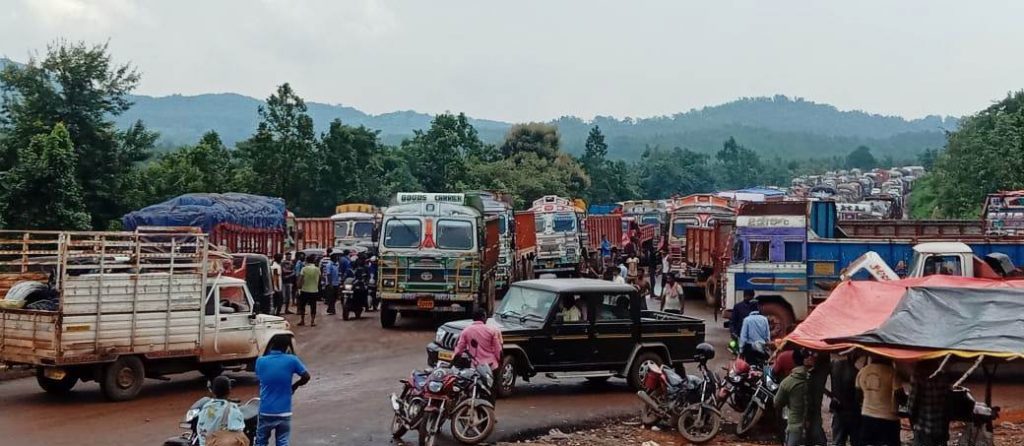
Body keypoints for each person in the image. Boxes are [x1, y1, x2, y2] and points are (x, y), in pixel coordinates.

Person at [254, 337, 310, 446]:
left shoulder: (260, 361)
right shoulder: (292, 360)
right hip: (284, 411)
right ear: (287, 347)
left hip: (265, 410)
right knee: (282, 441)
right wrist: (294, 386)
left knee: (261, 441)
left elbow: (260, 377)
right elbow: (306, 376)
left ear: (271, 346)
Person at [856, 356, 902, 446]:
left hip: (867, 416)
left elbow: (857, 396)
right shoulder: (892, 372)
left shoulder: (863, 371)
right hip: (888, 418)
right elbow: (899, 395)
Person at [775, 348, 813, 446]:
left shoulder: (787, 382)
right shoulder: (812, 379)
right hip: (810, 426)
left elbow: (777, 402)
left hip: (794, 428)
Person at [910, 359, 951, 446]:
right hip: (940, 427)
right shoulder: (943, 376)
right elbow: (948, 403)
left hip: (923, 427)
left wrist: (913, 422)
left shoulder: (918, 377)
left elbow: (911, 405)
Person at [197, 376, 247, 446]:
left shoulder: (206, 407)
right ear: (229, 390)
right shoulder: (232, 409)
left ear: (213, 390)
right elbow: (239, 430)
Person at [453, 308, 503, 373]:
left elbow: (459, 349)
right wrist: (500, 362)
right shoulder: (492, 331)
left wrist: (453, 361)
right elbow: (498, 350)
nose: (486, 319)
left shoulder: (465, 331)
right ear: (483, 317)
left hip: (475, 367)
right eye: (485, 316)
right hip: (491, 366)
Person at [830, 354, 863, 446]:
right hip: (853, 411)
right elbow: (858, 394)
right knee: (856, 441)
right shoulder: (856, 372)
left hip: (838, 409)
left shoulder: (834, 365)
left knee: (838, 441)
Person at [297, 258, 320, 327]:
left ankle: (302, 320)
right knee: (313, 306)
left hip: (305, 289)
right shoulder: (317, 269)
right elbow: (319, 278)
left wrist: (298, 286)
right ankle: (312, 321)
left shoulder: (304, 269)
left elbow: (301, 278)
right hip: (314, 290)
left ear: (307, 261)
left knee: (302, 305)